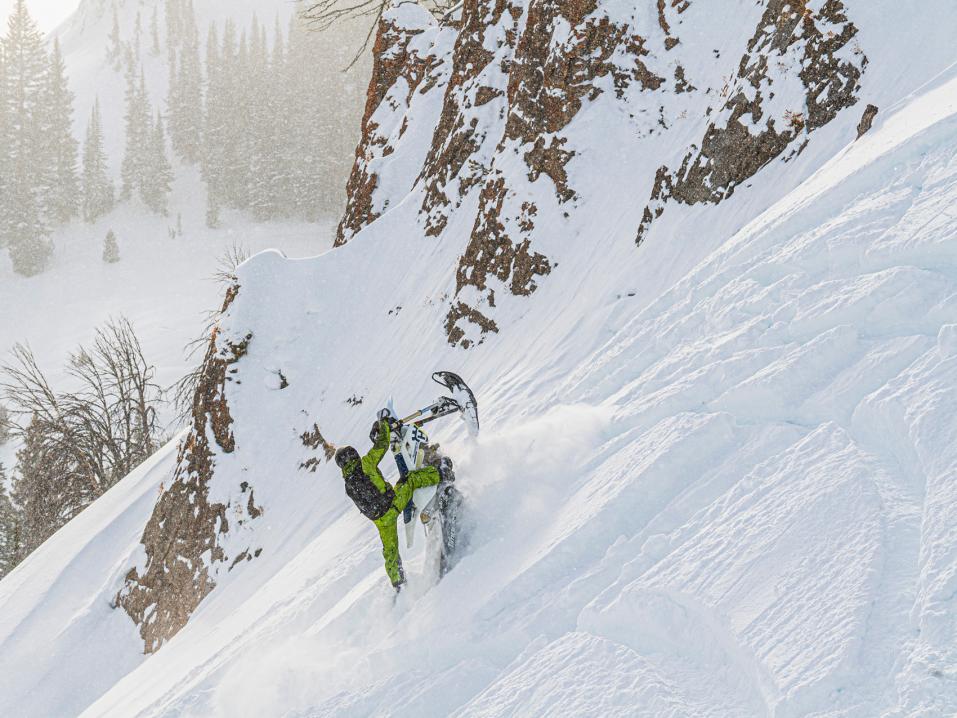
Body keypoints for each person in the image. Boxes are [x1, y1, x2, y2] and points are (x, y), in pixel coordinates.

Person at [335, 418, 447, 591]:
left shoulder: (347, 485)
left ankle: (398, 584)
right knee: (410, 480)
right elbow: (382, 445)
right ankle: (440, 473)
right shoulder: (366, 463)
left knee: (390, 552)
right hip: (393, 504)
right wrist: (385, 426)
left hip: (381, 521)